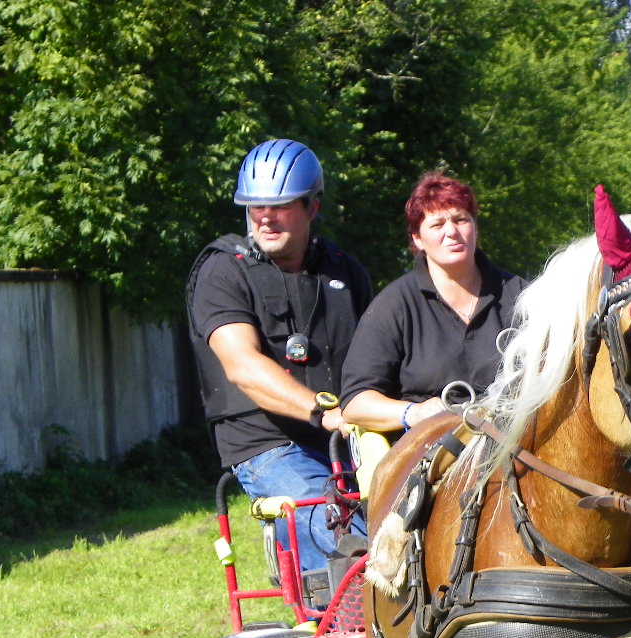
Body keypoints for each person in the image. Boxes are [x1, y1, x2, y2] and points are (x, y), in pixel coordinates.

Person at [188, 139, 374, 579]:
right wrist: (324, 413)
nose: (266, 218)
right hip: (269, 446)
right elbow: (242, 366)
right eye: (256, 206)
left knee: (420, 527)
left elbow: (380, 361)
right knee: (348, 546)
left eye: (282, 205)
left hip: (349, 440)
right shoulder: (222, 270)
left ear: (313, 206)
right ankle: (349, 623)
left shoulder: (345, 271)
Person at [341, 171, 527, 435]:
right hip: (427, 449)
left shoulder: (521, 296)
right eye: (437, 224)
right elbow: (355, 402)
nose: (452, 232)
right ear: (417, 238)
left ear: (475, 228)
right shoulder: (394, 305)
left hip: (513, 441)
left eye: (461, 219)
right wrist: (413, 413)